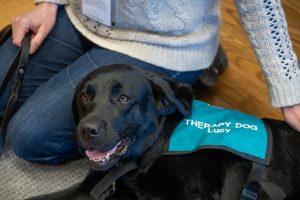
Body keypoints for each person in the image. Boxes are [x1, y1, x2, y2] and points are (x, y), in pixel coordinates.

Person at [0, 0, 299, 164]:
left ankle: (203, 61)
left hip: (166, 42)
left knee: (30, 137)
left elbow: (260, 6)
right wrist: (48, 2)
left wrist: (289, 88)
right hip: (82, 15)